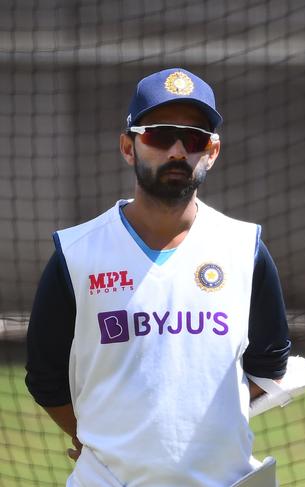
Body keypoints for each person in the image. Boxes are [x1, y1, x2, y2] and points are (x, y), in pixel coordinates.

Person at [25, 68, 291, 486]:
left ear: (213, 151)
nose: (178, 151)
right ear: (128, 147)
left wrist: (200, 426)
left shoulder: (245, 247)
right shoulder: (76, 253)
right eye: (159, 135)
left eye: (195, 138)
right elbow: (45, 377)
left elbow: (269, 363)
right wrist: (100, 439)